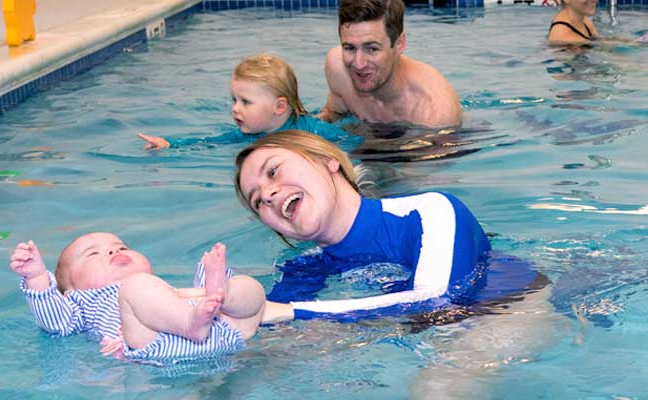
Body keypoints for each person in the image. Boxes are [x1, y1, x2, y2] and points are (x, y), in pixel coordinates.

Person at [233, 130, 503, 321]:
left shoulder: (430, 211)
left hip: (504, 310)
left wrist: (291, 312)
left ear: (328, 161)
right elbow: (263, 321)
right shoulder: (305, 269)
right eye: (257, 201)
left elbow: (437, 301)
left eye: (273, 171)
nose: (267, 195)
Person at [9, 232, 267, 364]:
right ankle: (192, 321)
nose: (114, 249)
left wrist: (213, 294)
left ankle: (221, 292)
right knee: (135, 287)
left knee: (249, 289)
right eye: (92, 254)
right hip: (153, 345)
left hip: (223, 334)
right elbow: (55, 323)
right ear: (71, 290)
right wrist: (36, 277)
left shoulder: (160, 288)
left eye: (122, 247)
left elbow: (199, 304)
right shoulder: (81, 302)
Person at [136, 54, 350, 150]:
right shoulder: (245, 133)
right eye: (234, 100)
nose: (235, 108)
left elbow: (349, 142)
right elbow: (209, 142)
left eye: (245, 102)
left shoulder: (311, 132)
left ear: (279, 107)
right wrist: (171, 144)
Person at [318, 0, 462, 129]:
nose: (359, 64)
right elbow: (333, 116)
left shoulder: (434, 113)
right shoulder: (338, 68)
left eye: (372, 49)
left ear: (399, 44)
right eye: (350, 48)